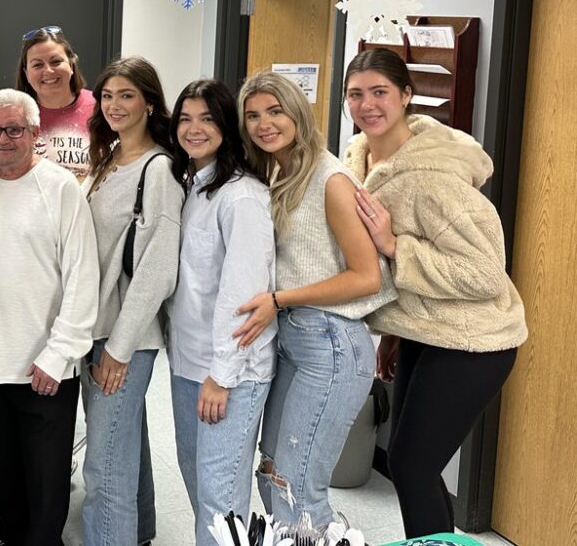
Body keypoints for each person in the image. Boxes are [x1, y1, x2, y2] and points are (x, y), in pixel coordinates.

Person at [342, 49, 526, 538]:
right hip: (424, 330)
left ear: (406, 95)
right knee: (412, 465)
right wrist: (395, 330)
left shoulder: (433, 179)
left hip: (474, 340)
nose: (367, 105)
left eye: (380, 92)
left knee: (411, 465)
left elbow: (484, 274)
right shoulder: (360, 160)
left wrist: (394, 246)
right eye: (356, 94)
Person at [233, 71, 396, 530]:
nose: (264, 124)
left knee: (298, 488)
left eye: (275, 111)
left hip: (331, 344)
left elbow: (366, 277)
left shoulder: (331, 179)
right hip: (293, 338)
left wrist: (279, 298)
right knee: (272, 476)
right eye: (252, 116)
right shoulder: (276, 172)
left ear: (298, 113)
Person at [0, 88, 99, 546]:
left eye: (14, 129)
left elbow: (83, 277)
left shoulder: (61, 188)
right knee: (3, 469)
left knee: (46, 478)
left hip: (45, 364)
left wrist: (59, 354)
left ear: (35, 132)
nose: (3, 139)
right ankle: (10, 534)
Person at [165, 79, 275, 546]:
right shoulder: (193, 185)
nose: (194, 129)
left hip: (228, 372)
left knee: (221, 501)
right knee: (200, 486)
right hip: (189, 362)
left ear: (227, 126)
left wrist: (222, 376)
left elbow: (243, 297)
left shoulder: (241, 196)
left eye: (207, 119)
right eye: (185, 119)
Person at [80, 58, 182, 546]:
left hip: (123, 337)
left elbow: (157, 270)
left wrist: (119, 350)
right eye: (107, 96)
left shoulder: (157, 169)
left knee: (103, 467)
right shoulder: (109, 158)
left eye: (126, 95)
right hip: (97, 327)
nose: (114, 105)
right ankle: (136, 533)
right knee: (124, 445)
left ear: (149, 103)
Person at [0, 26, 95, 178]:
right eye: (38, 65)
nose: (48, 71)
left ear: (71, 65)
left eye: (56, 61)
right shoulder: (11, 114)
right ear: (26, 73)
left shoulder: (100, 107)